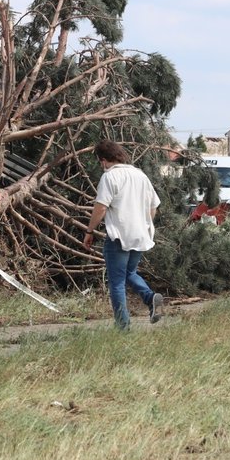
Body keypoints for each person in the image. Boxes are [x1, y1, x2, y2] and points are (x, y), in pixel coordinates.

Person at [82, 139, 164, 329]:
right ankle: (150, 298)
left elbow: (101, 208)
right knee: (129, 273)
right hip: (141, 234)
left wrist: (89, 231)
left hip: (119, 235)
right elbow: (154, 207)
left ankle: (123, 326)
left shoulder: (110, 177)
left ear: (103, 160)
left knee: (116, 282)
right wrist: (146, 225)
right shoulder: (140, 175)